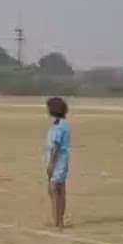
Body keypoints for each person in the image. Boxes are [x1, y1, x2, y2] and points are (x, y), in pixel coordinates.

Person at [45, 97, 71, 229]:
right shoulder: (62, 124)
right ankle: (58, 220)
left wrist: (50, 164)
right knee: (60, 190)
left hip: (58, 161)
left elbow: (55, 147)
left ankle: (58, 221)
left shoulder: (58, 127)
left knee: (55, 190)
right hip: (62, 161)